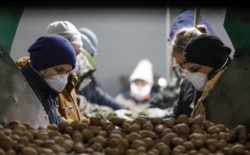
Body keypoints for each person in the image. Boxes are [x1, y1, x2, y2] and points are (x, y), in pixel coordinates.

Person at [20, 34, 76, 124]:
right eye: (59, 70)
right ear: (41, 66)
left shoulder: (46, 91)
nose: (63, 77)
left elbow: (53, 120)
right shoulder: (21, 91)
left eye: (67, 72)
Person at [182, 34, 232, 120]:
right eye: (189, 71)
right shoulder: (204, 91)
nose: (193, 76)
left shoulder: (233, 89)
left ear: (214, 62)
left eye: (195, 69)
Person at [78, 27, 127, 110]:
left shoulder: (88, 75)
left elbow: (97, 94)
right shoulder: (71, 77)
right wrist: (100, 111)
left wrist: (123, 108)